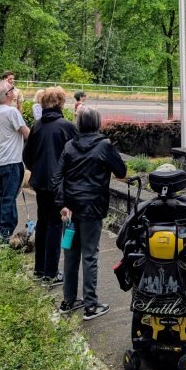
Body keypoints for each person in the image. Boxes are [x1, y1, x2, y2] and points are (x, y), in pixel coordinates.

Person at [55, 106, 127, 319]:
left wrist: (61, 204)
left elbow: (57, 176)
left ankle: (68, 300)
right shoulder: (104, 145)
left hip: (69, 207)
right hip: (93, 207)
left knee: (70, 254)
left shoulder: (69, 146)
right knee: (90, 255)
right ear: (97, 123)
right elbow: (121, 172)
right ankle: (91, 305)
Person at [23, 86, 77, 284]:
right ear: (60, 103)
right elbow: (76, 156)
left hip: (40, 181)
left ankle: (39, 268)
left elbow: (26, 155)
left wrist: (36, 169)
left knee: (43, 222)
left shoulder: (37, 126)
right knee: (55, 225)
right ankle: (51, 271)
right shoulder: (67, 126)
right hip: (59, 184)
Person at [0, 83, 30, 246]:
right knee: (8, 199)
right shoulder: (11, 112)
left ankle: (0, 232)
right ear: (7, 95)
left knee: (3, 198)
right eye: (12, 89)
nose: (14, 91)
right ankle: (4, 235)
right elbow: (27, 134)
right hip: (11, 162)